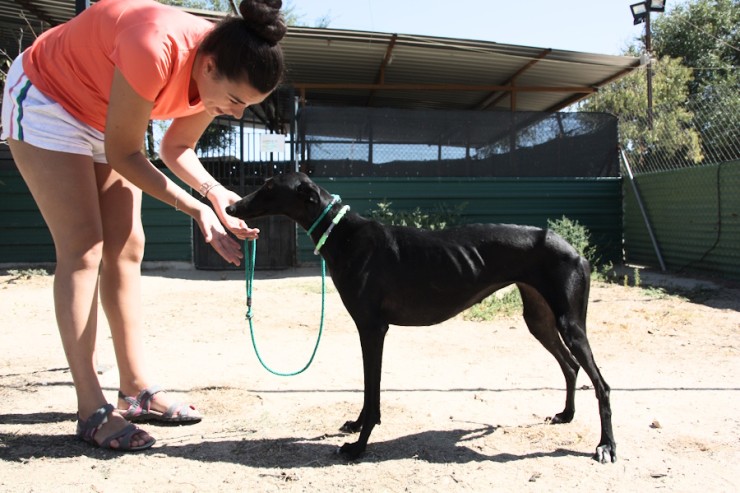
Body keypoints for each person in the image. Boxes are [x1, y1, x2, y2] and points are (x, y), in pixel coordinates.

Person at [0, 0, 286, 451]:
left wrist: (214, 193)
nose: (235, 113)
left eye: (246, 106)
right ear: (208, 66)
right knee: (84, 245)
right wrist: (196, 210)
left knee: (128, 245)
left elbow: (177, 146)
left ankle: (134, 390)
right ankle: (91, 408)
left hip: (100, 113)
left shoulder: (224, 59)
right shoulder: (156, 47)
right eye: (234, 100)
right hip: (47, 97)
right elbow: (125, 154)